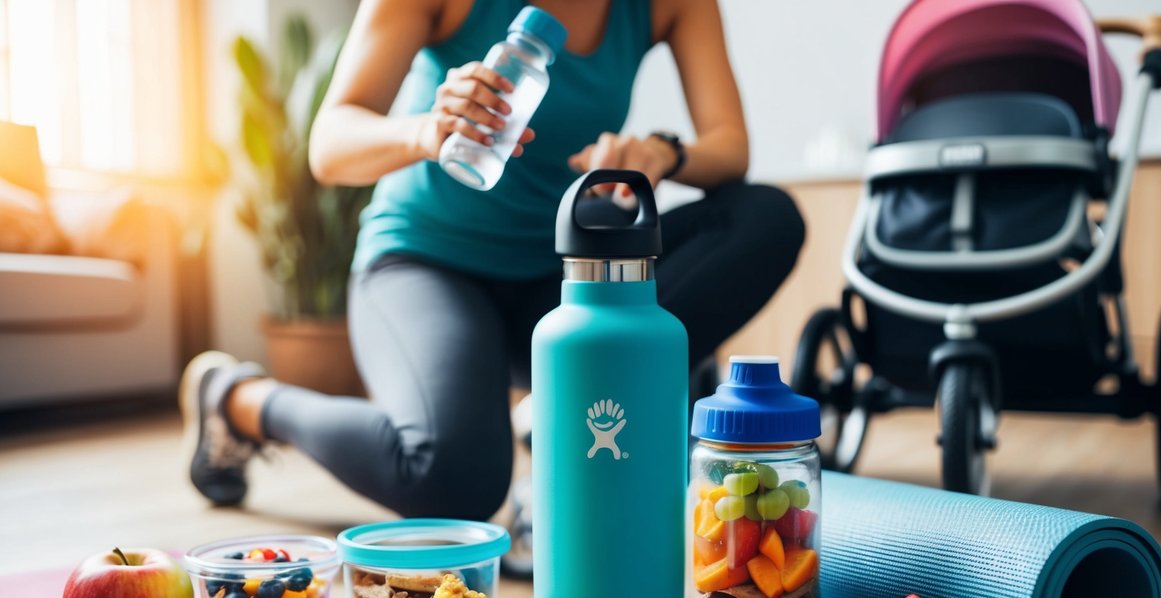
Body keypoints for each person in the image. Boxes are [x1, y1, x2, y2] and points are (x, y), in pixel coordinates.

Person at [182, 0, 805, 528]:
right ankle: (238, 400)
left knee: (764, 218)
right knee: (455, 483)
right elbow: (329, 145)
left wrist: (661, 154)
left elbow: (730, 146)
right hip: (426, 265)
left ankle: (565, 410)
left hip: (566, 284)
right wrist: (427, 130)